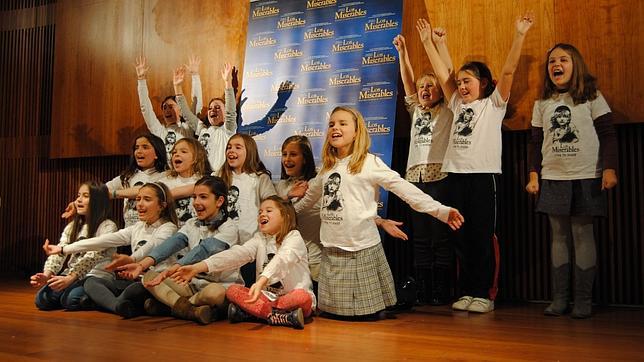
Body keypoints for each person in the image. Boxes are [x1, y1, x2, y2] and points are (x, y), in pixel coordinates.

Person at [291, 106, 463, 320]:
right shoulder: (327, 168)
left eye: (343, 123)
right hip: (332, 249)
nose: (335, 127)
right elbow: (307, 202)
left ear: (356, 132)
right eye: (332, 124)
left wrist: (441, 211)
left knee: (363, 316)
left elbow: (404, 189)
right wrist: (285, 217)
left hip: (360, 248)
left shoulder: (369, 163)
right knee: (334, 316)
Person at [417, 12, 534, 313]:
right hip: (454, 176)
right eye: (460, 83)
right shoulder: (456, 103)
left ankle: (485, 292)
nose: (461, 87)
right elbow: (444, 75)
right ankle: (467, 290)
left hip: (483, 178)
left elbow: (507, 73)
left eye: (467, 82)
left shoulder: (493, 104)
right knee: (460, 236)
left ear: (483, 83)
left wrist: (519, 34)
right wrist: (428, 42)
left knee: (482, 236)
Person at [526, 43, 618, 319]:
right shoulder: (542, 103)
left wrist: (610, 169)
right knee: (559, 236)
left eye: (563, 59)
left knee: (582, 234)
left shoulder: (592, 97)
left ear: (574, 64)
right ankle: (560, 299)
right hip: (553, 177)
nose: (557, 65)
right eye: (552, 61)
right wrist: (533, 175)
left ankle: (583, 301)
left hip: (586, 176)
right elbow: (535, 143)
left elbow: (608, 135)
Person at [171, 196, 315, 329]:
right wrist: (198, 267)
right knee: (233, 290)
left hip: (291, 299)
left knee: (303, 297)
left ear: (285, 216)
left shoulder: (294, 237)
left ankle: (253, 314)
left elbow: (282, 259)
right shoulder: (259, 238)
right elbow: (236, 254)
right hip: (266, 298)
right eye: (260, 212)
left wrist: (261, 282)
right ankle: (280, 317)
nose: (262, 214)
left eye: (268, 210)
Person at [43, 182, 179, 318]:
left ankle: (118, 304)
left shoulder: (168, 228)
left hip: (156, 281)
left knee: (136, 289)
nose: (139, 204)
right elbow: (103, 241)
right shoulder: (137, 227)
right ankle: (119, 305)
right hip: (133, 280)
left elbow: (151, 247)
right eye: (138, 199)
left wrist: (132, 259)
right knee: (92, 282)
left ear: (162, 206)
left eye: (147, 200)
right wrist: (63, 249)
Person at [116, 176, 239, 325]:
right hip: (190, 285)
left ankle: (172, 306)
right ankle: (191, 311)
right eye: (194, 197)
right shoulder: (191, 223)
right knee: (149, 276)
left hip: (216, 286)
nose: (196, 202)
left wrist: (173, 269)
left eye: (203, 197)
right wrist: (141, 265)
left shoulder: (229, 228)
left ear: (219, 201)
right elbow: (171, 244)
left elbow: (204, 250)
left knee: (215, 293)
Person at [393, 28, 455, 305]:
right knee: (420, 236)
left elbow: (448, 76)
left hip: (439, 176)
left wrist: (440, 45)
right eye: (422, 86)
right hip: (414, 177)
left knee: (440, 235)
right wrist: (403, 53)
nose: (425, 90)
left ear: (440, 91)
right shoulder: (416, 109)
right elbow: (407, 82)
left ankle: (442, 288)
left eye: (431, 86)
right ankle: (424, 288)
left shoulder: (449, 110)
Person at [32, 181, 117, 311]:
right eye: (78, 195)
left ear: (98, 201)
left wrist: (70, 278)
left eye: (85, 196)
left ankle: (97, 298)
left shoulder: (108, 226)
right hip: (72, 274)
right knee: (42, 300)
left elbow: (93, 256)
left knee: (71, 300)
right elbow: (60, 252)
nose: (78, 200)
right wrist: (47, 275)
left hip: (95, 277)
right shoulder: (73, 226)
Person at [217, 133, 277, 285]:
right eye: (229, 147)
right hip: (224, 245)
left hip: (249, 246)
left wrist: (287, 195)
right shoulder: (219, 177)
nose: (231, 150)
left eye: (238, 147)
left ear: (249, 151)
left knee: (248, 286)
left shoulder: (259, 178)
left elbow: (272, 202)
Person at [135, 55, 201, 162]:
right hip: (166, 174)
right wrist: (141, 80)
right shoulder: (160, 131)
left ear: (180, 110)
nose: (167, 110)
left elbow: (196, 104)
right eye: (164, 107)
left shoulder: (188, 128)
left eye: (171, 107)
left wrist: (195, 75)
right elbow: (146, 109)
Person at [174, 62, 237, 173]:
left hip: (217, 178)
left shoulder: (228, 130)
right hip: (199, 176)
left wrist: (227, 82)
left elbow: (231, 111)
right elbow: (186, 114)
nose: (213, 110)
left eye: (218, 107)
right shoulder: (202, 129)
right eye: (210, 108)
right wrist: (177, 87)